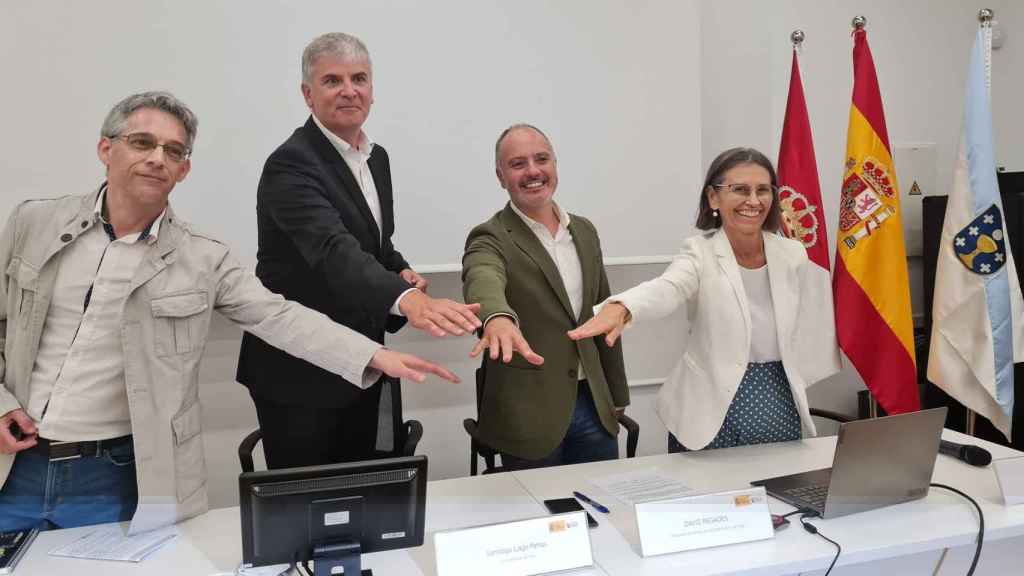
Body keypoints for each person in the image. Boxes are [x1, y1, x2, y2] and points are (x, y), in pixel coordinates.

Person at [0, 91, 458, 534]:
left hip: (122, 473)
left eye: (173, 151)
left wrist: (374, 355)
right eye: (142, 143)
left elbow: (279, 317)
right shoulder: (32, 224)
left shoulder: (203, 257)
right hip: (14, 461)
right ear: (106, 148)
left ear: (184, 169)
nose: (157, 158)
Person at [236, 32, 481, 469]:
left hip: (366, 359)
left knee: (364, 493)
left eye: (359, 78)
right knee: (308, 507)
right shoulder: (290, 164)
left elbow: (375, 244)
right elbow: (333, 250)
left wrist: (402, 273)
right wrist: (408, 301)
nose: (349, 90)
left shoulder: (376, 157)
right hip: (300, 371)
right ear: (308, 95)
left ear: (372, 90)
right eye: (332, 80)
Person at [570, 147, 838, 452]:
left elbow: (810, 325)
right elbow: (668, 288)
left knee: (777, 494)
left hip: (778, 401)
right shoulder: (699, 252)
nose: (753, 200)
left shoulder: (792, 254)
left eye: (763, 190)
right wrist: (623, 307)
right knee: (710, 497)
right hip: (708, 411)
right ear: (713, 198)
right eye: (739, 190)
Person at [462, 124, 629, 470]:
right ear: (500, 176)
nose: (533, 171)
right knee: (538, 518)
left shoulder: (584, 231)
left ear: (555, 164)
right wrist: (496, 317)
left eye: (541, 159)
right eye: (518, 164)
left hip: (594, 405)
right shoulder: (490, 236)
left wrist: (617, 394)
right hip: (529, 415)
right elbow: (482, 276)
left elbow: (605, 312)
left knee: (601, 513)